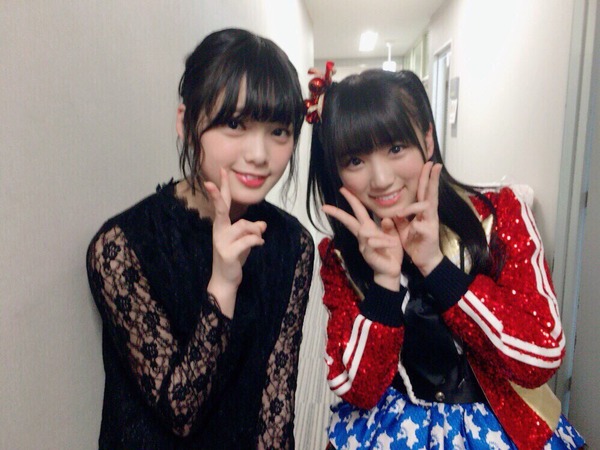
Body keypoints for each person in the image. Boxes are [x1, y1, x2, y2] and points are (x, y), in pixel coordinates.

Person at [306, 68, 585, 449]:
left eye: (396, 148)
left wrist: (436, 267)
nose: (381, 179)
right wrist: (385, 283)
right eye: (355, 160)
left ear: (427, 138)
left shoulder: (499, 214)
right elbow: (358, 390)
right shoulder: (340, 255)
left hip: (502, 426)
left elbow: (541, 357)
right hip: (391, 427)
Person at [86, 28, 314, 449]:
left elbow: (276, 405)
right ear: (186, 122)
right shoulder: (122, 246)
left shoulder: (291, 243)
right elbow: (181, 413)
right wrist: (223, 284)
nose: (259, 154)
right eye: (235, 124)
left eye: (279, 132)